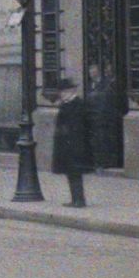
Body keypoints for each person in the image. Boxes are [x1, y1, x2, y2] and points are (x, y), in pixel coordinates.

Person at [52, 77, 90, 207]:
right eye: (61, 92)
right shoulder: (66, 104)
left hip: (75, 144)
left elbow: (78, 126)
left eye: (63, 91)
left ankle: (79, 200)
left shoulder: (78, 104)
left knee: (75, 172)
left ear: (70, 91)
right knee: (70, 172)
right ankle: (75, 199)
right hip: (66, 145)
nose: (61, 94)